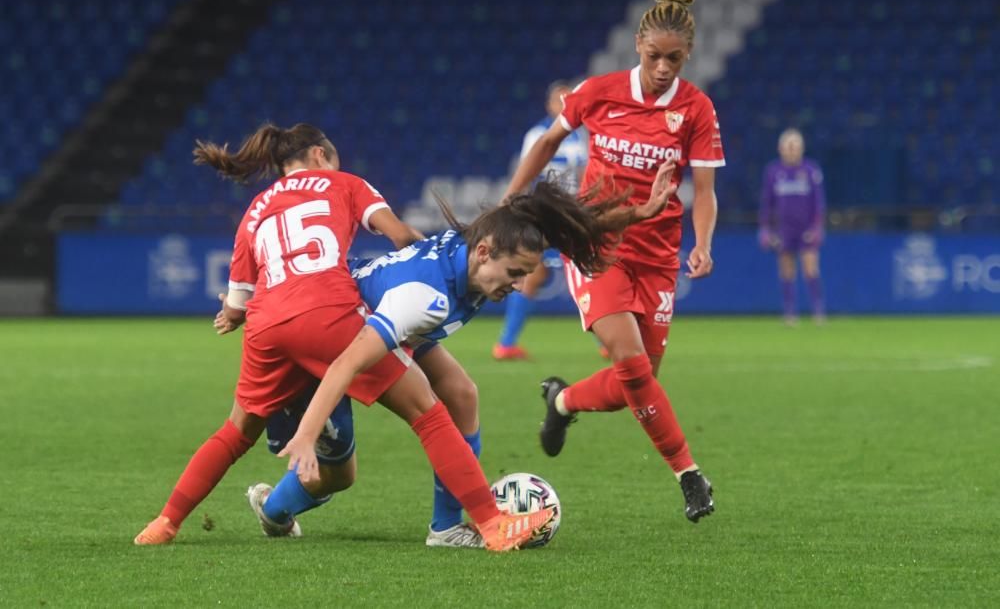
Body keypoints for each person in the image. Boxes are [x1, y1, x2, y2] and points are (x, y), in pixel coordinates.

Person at [133, 122, 553, 552]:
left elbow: (238, 303)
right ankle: (491, 525)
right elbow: (400, 235)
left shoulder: (256, 209)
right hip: (330, 313)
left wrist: (230, 315)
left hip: (267, 325)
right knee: (428, 412)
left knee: (237, 432)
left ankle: (166, 522)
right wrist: (428, 259)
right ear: (320, 155)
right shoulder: (344, 183)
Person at [253, 170, 676, 547]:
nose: (518, 284)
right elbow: (347, 363)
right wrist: (307, 433)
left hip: (390, 323)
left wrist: (638, 214)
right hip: (341, 330)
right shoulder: (423, 298)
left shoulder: (488, 247)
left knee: (461, 394)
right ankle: (275, 510)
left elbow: (565, 232)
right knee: (346, 470)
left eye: (523, 275)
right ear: (484, 253)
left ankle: (447, 527)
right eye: (515, 275)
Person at [503, 0, 724, 523]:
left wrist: (703, 244)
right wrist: (513, 197)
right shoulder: (599, 91)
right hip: (598, 244)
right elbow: (549, 141)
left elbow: (706, 190)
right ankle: (689, 474)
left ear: (687, 56)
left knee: (638, 382)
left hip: (658, 256)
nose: (665, 67)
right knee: (630, 362)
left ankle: (561, 402)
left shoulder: (696, 109)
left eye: (675, 58)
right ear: (637, 47)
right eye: (655, 57)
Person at [493, 80, 588, 361]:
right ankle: (506, 343)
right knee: (533, 274)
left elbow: (583, 174)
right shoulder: (537, 133)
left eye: (568, 100)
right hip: (542, 212)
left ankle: (607, 339)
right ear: (549, 104)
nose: (564, 105)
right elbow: (528, 170)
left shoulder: (579, 136)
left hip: (571, 212)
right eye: (559, 100)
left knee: (584, 273)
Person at [758, 128, 826, 325]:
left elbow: (818, 203)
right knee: (786, 271)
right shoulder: (773, 172)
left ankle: (818, 311)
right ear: (780, 148)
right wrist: (765, 228)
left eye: (795, 146)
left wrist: (817, 227)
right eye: (788, 146)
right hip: (784, 230)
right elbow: (767, 202)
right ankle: (790, 313)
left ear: (802, 148)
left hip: (806, 229)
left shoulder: (811, 170)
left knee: (810, 269)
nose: (791, 149)